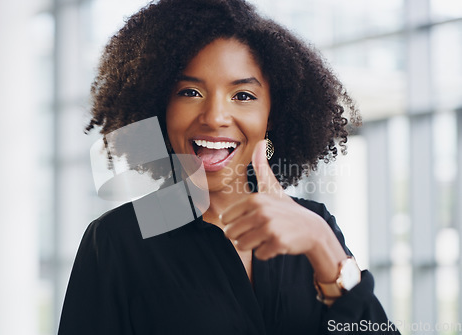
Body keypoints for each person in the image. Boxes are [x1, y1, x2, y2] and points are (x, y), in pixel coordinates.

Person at [58, 0, 400, 334]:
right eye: (190, 92)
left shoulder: (315, 225)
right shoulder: (117, 241)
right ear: (159, 109)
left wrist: (323, 246)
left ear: (272, 116)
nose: (215, 117)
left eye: (243, 96)